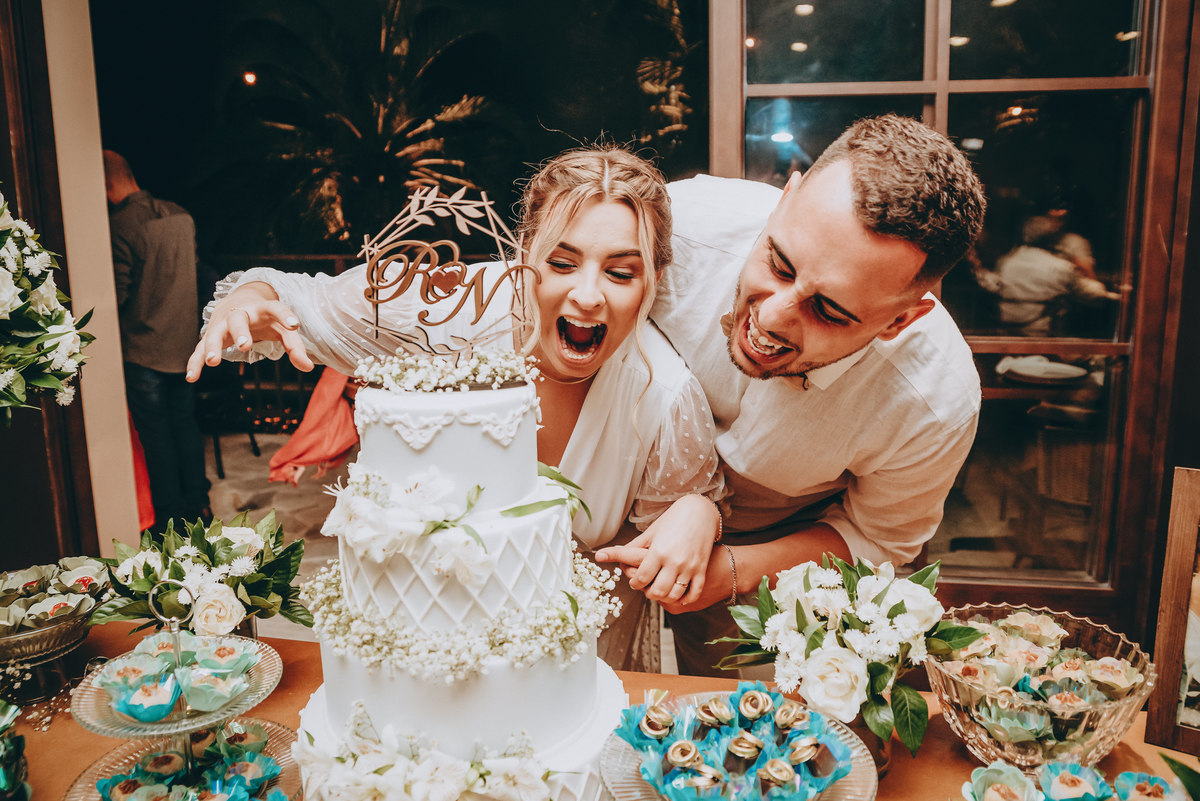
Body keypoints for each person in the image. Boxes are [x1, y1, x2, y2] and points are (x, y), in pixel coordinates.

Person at [187, 147, 725, 672]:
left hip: (574, 660)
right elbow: (291, 296)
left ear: (652, 281)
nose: (588, 295)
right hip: (422, 643)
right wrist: (245, 302)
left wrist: (698, 514)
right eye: (562, 263)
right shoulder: (453, 309)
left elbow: (663, 551)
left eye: (621, 272)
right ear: (524, 255)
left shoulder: (664, 399)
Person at [595, 114, 989, 676]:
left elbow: (876, 539)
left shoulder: (932, 402)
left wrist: (732, 569)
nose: (773, 316)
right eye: (779, 264)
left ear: (900, 320)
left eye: (829, 310)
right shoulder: (672, 228)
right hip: (604, 511)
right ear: (787, 195)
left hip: (773, 557)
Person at [104, 150, 211, 531]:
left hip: (143, 349)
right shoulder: (180, 215)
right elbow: (197, 276)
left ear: (105, 182)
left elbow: (115, 294)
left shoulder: (120, 225)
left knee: (157, 436)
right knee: (185, 424)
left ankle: (169, 517)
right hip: (184, 346)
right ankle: (199, 503)